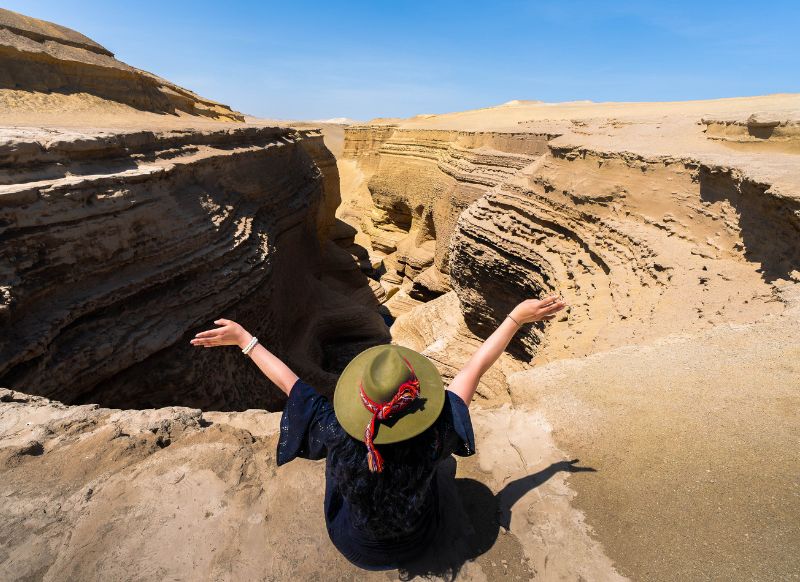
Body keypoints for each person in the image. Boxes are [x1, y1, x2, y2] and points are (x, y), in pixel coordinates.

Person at [190, 295, 567, 570]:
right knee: (442, 468)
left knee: (339, 461)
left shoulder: (335, 430)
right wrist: (515, 319)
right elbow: (475, 368)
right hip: (418, 538)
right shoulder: (437, 435)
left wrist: (245, 341)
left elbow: (292, 385)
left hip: (355, 545)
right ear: (416, 401)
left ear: (360, 402)